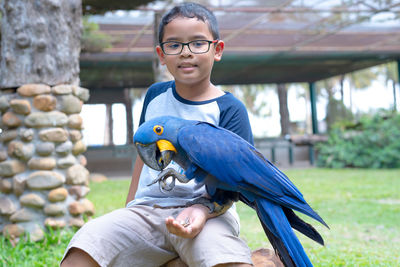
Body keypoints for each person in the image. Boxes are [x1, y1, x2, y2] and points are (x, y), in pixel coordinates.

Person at [61, 2, 254, 267]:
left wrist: (203, 210)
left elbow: (237, 186)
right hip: (148, 211)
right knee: (86, 244)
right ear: (161, 55)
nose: (186, 53)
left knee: (225, 258)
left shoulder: (229, 109)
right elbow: (143, 156)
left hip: (206, 214)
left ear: (217, 50)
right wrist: (129, 209)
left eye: (198, 43)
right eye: (174, 45)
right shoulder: (154, 97)